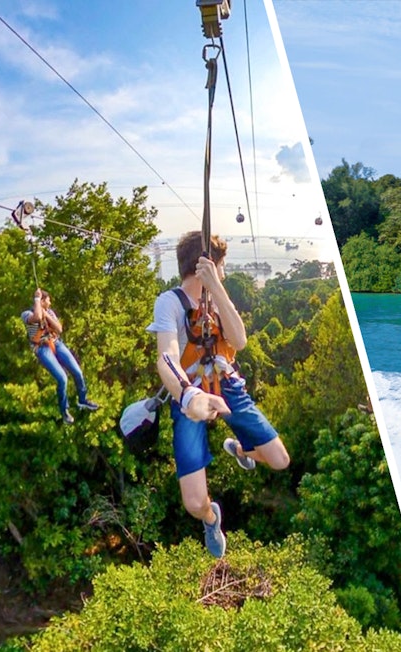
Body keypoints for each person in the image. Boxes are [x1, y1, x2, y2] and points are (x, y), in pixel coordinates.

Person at [147, 231, 290, 559]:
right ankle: (212, 519)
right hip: (189, 387)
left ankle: (241, 449)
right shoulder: (169, 302)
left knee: (280, 460)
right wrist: (188, 397)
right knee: (194, 502)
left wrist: (216, 289)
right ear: (207, 265)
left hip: (225, 383)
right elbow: (166, 356)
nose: (223, 272)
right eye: (221, 267)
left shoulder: (218, 299)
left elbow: (239, 341)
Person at [22, 289, 99, 424]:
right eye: (48, 300)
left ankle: (82, 399)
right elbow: (37, 318)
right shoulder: (26, 314)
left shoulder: (50, 312)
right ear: (42, 301)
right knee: (62, 378)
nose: (50, 303)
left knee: (77, 372)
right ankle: (64, 411)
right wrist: (37, 300)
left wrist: (47, 314)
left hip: (56, 343)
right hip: (41, 348)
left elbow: (59, 329)